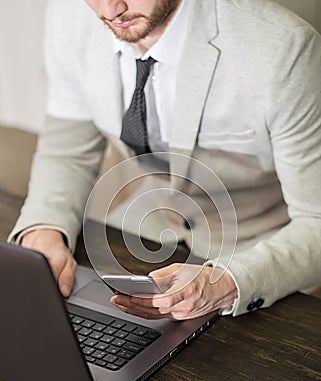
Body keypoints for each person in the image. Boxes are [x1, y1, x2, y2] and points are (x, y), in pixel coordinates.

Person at [9, 0, 321, 320]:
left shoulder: (283, 47)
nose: (111, 9)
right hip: (147, 222)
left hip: (259, 244)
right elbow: (69, 154)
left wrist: (227, 282)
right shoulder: (69, 15)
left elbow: (317, 220)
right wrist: (44, 230)